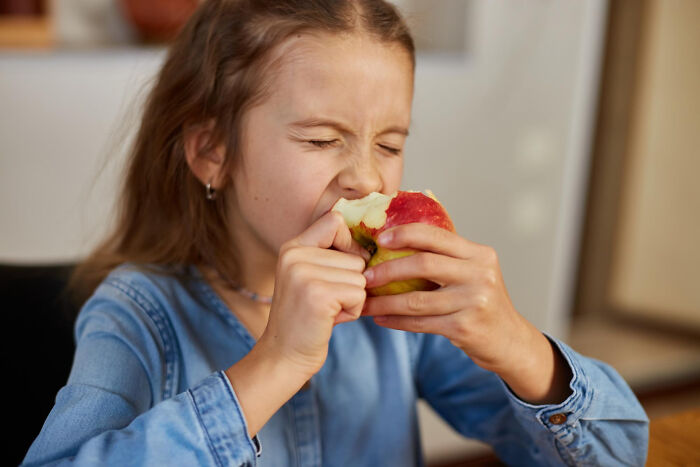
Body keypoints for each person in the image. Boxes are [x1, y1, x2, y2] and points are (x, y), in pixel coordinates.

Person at [22, 0, 649, 465]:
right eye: (322, 139)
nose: (365, 178)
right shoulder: (140, 312)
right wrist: (278, 363)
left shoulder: (399, 307)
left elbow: (622, 454)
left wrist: (514, 343)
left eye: (391, 143)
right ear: (212, 151)